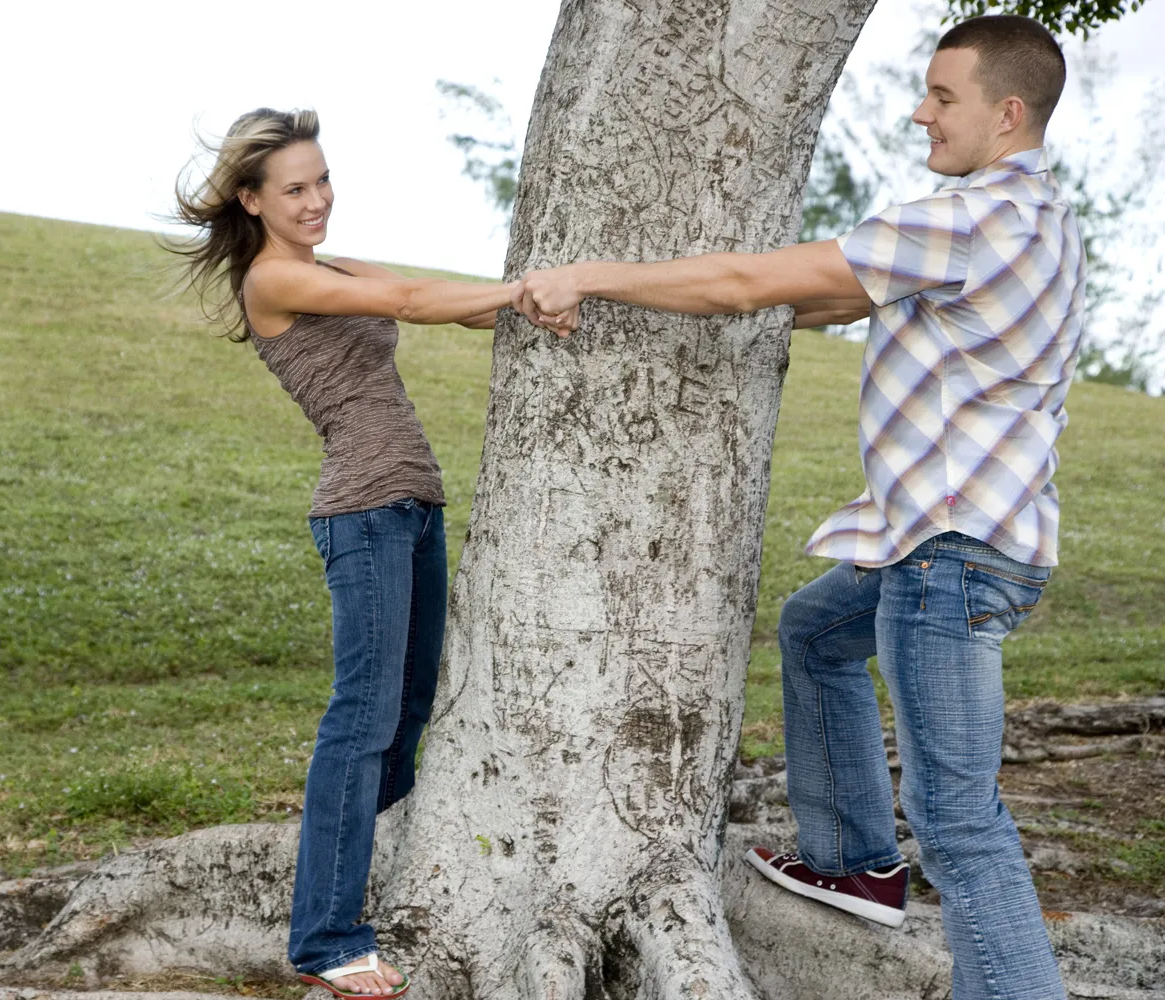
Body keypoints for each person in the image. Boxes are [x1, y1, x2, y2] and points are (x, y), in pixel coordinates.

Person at [513, 16, 1082, 1000]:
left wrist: (589, 277)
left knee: (959, 820)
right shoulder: (1044, 223)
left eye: (943, 97)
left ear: (1009, 111)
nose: (922, 113)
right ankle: (856, 857)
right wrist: (665, 299)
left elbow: (749, 281)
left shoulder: (970, 219)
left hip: (948, 557)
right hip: (983, 542)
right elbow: (826, 299)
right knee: (817, 628)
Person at [169, 107, 548, 999]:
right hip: (364, 512)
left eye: (323, 179)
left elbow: (437, 303)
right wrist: (526, 284)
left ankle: (366, 878)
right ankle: (327, 937)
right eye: (295, 188)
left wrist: (529, 302)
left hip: (413, 510)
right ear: (253, 201)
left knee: (410, 713)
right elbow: (413, 303)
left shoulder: (329, 266)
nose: (317, 199)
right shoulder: (273, 282)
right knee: (362, 722)